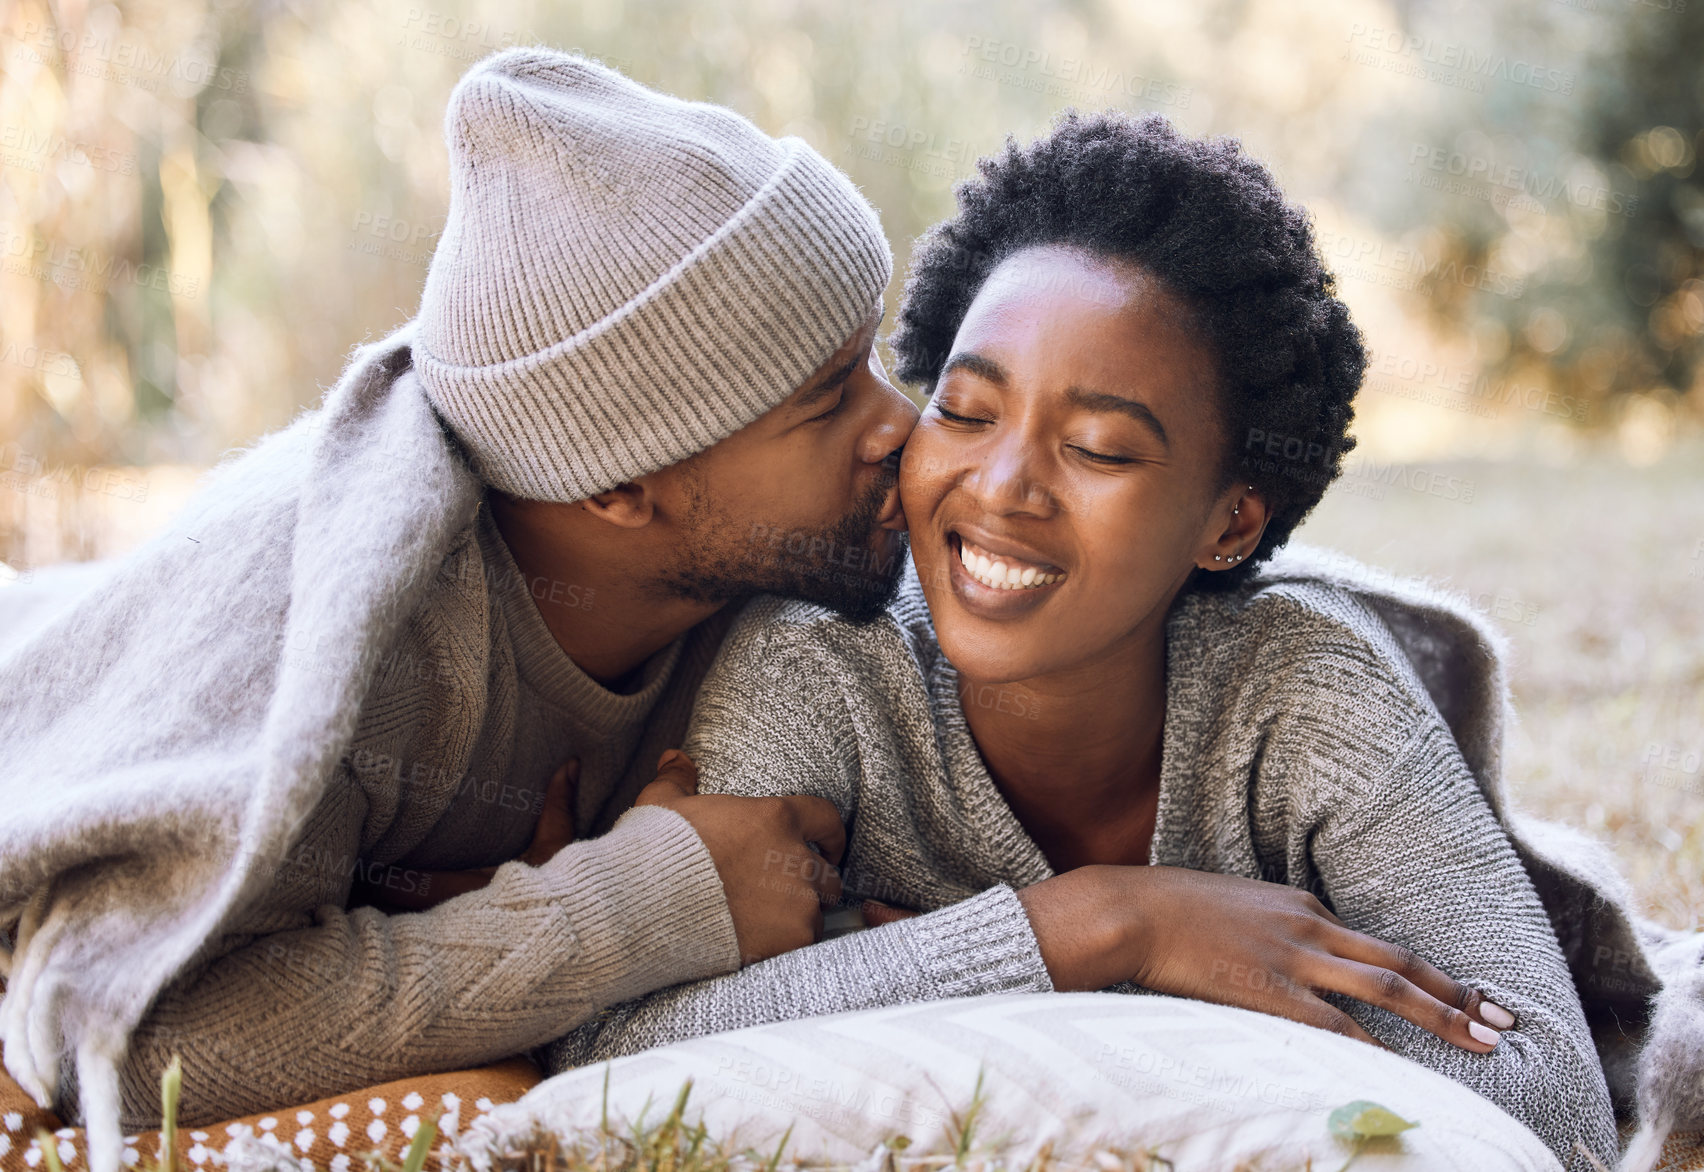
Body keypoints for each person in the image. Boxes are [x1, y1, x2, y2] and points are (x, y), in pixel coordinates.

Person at [525, 112, 1704, 1170]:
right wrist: (1107, 924)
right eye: (966, 410)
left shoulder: (1301, 692)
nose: (1001, 486)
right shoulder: (821, 663)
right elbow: (616, 1039)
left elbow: (1547, 1098)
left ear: (1229, 519)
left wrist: (899, 972)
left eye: (1096, 447)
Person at [0, 48, 1054, 1172]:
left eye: (870, 360)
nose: (899, 425)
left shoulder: (784, 588)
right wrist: (630, 902)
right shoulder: (342, 636)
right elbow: (127, 1034)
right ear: (619, 483)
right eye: (824, 397)